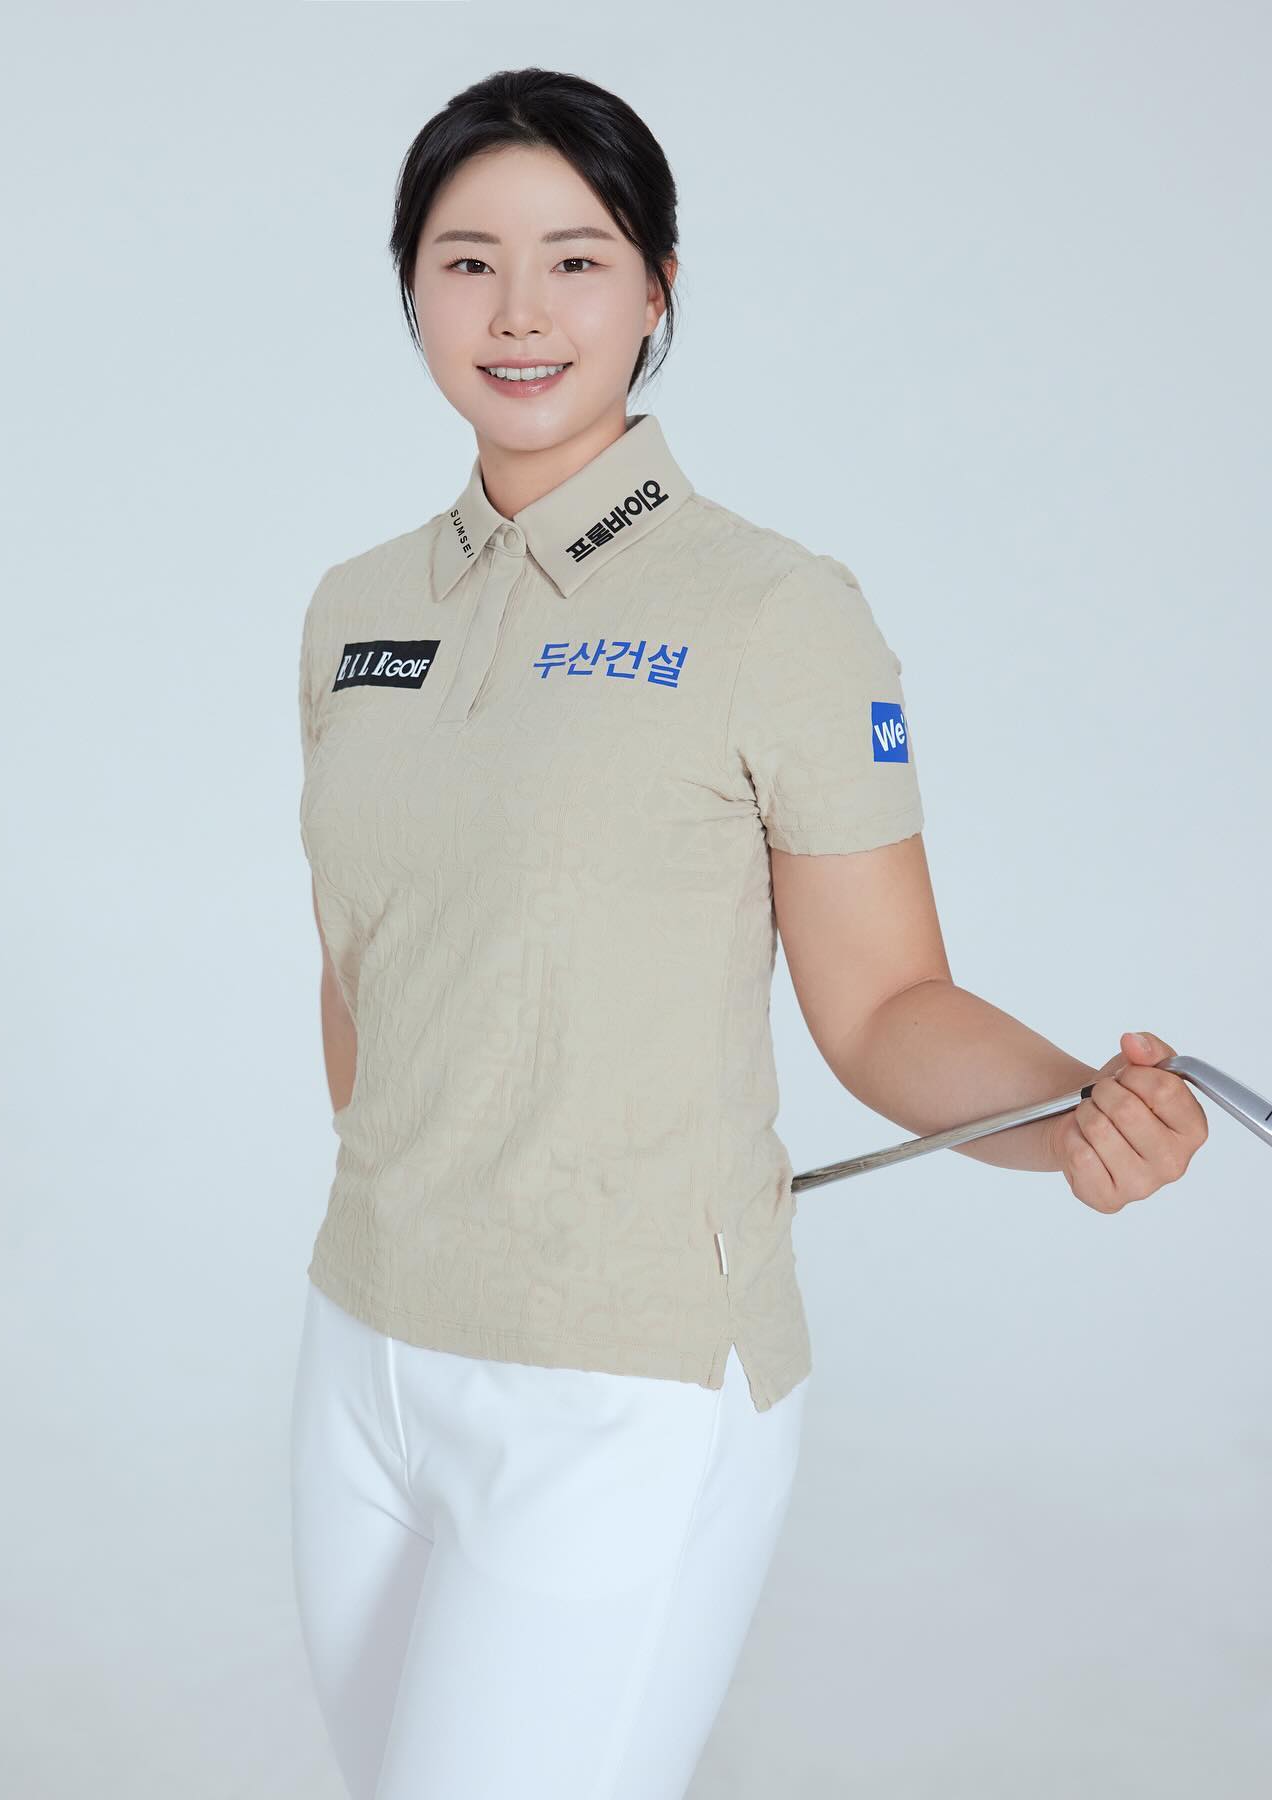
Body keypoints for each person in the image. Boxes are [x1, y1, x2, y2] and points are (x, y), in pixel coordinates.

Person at [288, 67, 1209, 1800]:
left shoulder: (778, 612)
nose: (518, 311)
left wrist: (1074, 1110)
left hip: (623, 1385)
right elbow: (369, 973)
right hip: (363, 1353)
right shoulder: (356, 612)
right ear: (410, 285)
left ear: (658, 288)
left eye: (576, 259)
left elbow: (888, 1004)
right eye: (468, 261)